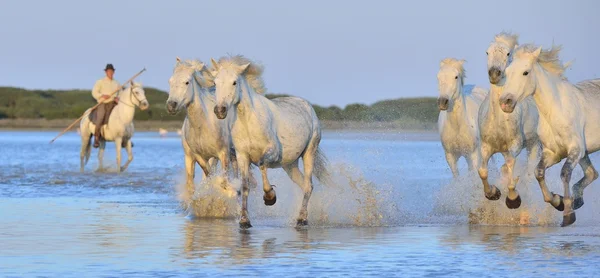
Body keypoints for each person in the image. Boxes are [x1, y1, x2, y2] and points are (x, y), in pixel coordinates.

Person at [91, 64, 123, 148]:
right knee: (100, 117)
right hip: (103, 103)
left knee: (122, 117)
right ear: (106, 72)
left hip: (113, 103)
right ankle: (96, 137)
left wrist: (118, 98)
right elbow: (94, 92)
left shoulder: (117, 83)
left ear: (114, 72)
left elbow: (121, 93)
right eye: (109, 71)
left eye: (112, 71)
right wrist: (102, 95)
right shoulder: (100, 82)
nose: (110, 73)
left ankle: (124, 137)